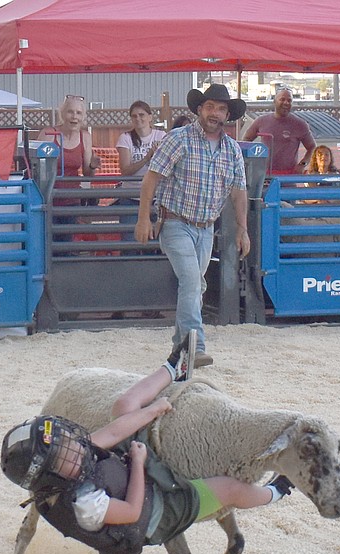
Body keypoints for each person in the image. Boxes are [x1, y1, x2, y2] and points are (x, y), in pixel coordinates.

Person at [0, 341, 292, 554]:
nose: (73, 445)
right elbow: (131, 511)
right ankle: (274, 491)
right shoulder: (85, 502)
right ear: (54, 475)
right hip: (148, 518)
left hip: (127, 474)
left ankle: (172, 367)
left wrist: (151, 411)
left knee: (124, 405)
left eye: (68, 441)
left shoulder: (74, 460)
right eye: (65, 451)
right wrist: (138, 464)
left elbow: (113, 432)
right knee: (229, 488)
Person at [135, 84, 249, 368]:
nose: (215, 113)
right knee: (191, 281)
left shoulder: (233, 149)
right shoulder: (179, 139)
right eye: (210, 107)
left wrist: (243, 228)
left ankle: (179, 346)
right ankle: (195, 347)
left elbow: (238, 191)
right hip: (174, 223)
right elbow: (151, 179)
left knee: (195, 286)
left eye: (221, 108)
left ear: (227, 115)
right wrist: (143, 218)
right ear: (199, 110)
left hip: (207, 227)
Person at [43, 95, 98, 223]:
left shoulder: (85, 137)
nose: (74, 116)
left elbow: (87, 174)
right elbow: (36, 168)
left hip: (71, 200)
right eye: (70, 112)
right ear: (62, 114)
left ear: (83, 117)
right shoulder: (49, 135)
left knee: (67, 240)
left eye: (78, 113)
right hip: (48, 199)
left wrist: (92, 166)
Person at [114, 100, 166, 227]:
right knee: (130, 239)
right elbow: (125, 171)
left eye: (141, 115)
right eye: (134, 116)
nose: (138, 118)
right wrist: (146, 159)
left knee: (157, 239)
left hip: (156, 197)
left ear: (150, 117)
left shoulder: (162, 135)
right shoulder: (125, 138)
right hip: (131, 196)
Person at [242, 88, 316, 175]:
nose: (286, 103)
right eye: (282, 99)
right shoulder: (261, 121)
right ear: (274, 101)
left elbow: (312, 147)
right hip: (265, 176)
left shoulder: (300, 124)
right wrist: (250, 161)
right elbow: (246, 140)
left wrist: (303, 164)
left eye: (289, 100)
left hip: (289, 177)